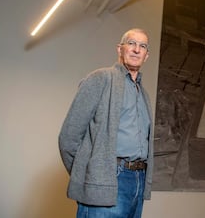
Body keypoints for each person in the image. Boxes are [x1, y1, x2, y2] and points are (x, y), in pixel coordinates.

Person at [58, 28, 154, 218]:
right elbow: (68, 139)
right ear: (120, 49)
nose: (136, 49)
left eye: (142, 46)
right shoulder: (100, 78)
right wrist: (90, 175)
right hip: (108, 178)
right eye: (131, 43)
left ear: (146, 55)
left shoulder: (143, 94)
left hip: (138, 181)